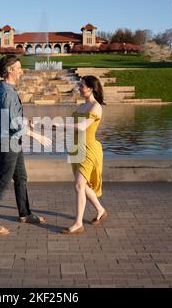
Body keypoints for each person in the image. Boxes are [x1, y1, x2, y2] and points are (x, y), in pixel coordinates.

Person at [0, 55, 52, 236]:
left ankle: (25, 213)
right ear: (10, 70)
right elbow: (11, 122)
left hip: (14, 140)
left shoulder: (8, 90)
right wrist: (35, 135)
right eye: (19, 68)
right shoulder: (6, 92)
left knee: (21, 177)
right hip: (8, 142)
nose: (22, 71)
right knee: (3, 181)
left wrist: (26, 121)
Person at [53, 76, 108, 235]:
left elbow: (83, 126)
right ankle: (100, 210)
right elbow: (73, 127)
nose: (79, 87)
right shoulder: (81, 106)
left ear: (90, 88)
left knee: (78, 185)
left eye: (82, 85)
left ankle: (78, 224)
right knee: (83, 185)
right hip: (76, 148)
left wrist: (62, 125)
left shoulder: (96, 107)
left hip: (89, 149)